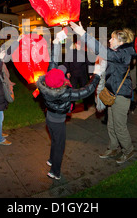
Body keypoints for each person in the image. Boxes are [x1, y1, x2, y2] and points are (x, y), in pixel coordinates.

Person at [36, 31, 101, 180]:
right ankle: (55, 171)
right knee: (60, 145)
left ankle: (51, 159)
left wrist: (57, 42)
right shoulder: (66, 93)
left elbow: (52, 61)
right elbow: (87, 90)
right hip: (58, 123)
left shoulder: (45, 84)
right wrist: (96, 75)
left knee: (54, 140)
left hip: (49, 119)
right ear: (62, 82)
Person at [70, 22, 136, 164]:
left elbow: (101, 50)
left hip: (121, 96)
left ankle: (128, 150)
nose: (110, 40)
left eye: (112, 39)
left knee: (119, 126)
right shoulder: (117, 53)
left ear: (120, 42)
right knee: (111, 124)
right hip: (112, 93)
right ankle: (113, 147)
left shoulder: (124, 54)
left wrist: (83, 33)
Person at [64, 40, 93, 112]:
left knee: (84, 90)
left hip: (82, 75)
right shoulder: (70, 52)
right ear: (75, 45)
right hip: (73, 75)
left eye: (80, 44)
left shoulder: (85, 53)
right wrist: (67, 71)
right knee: (73, 90)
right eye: (77, 44)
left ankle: (85, 105)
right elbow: (66, 62)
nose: (78, 46)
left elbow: (89, 63)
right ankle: (72, 105)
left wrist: (90, 74)